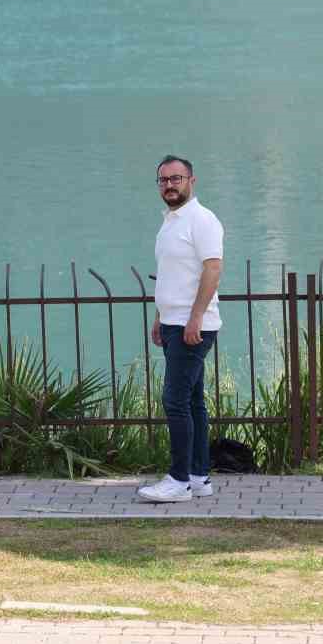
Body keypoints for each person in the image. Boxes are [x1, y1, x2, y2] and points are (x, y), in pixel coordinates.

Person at [138, 155, 224, 504]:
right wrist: (161, 316)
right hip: (174, 323)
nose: (170, 185)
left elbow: (213, 269)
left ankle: (178, 481)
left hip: (192, 326)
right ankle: (199, 476)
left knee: (174, 401)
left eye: (176, 178)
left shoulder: (202, 220)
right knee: (192, 401)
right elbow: (174, 275)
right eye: (163, 180)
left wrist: (195, 319)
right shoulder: (171, 221)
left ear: (192, 180)